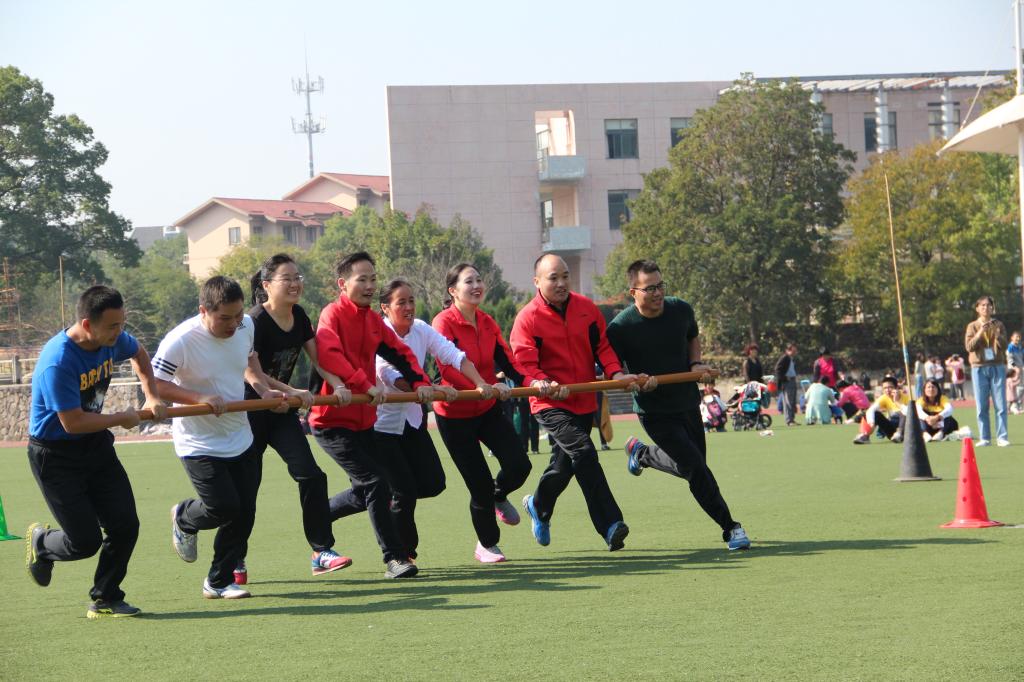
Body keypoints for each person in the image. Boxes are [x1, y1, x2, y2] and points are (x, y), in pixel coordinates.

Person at [25, 285, 166, 618]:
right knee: (84, 542)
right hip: (55, 455)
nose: (120, 332)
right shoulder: (58, 361)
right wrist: (121, 418)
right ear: (87, 324)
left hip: (95, 447)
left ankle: (106, 597)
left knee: (125, 525)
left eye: (122, 324)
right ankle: (42, 544)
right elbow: (72, 423)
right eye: (113, 326)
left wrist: (152, 395)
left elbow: (139, 353)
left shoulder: (113, 340)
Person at [155, 276, 288, 600]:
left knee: (245, 512)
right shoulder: (181, 340)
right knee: (223, 506)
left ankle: (218, 581)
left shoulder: (245, 325)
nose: (233, 324)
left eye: (238, 315)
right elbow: (155, 384)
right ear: (204, 310)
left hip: (239, 434)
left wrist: (262, 389)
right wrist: (198, 398)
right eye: (224, 318)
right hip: (198, 441)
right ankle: (184, 516)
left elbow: (249, 360)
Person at [308, 252, 437, 579]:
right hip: (331, 421)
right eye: (361, 279)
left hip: (364, 420)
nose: (369, 285)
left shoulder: (373, 322)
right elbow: (329, 355)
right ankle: (395, 559)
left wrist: (421, 382)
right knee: (377, 483)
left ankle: (317, 517)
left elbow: (400, 352)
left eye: (373, 279)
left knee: (369, 489)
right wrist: (364, 384)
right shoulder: (332, 314)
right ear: (343, 284)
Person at [608, 260, 750, 551]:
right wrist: (630, 379)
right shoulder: (620, 327)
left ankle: (642, 454)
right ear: (633, 292)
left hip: (687, 402)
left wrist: (696, 363)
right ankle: (731, 527)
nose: (658, 293)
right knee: (696, 469)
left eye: (660, 285)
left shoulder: (681, 309)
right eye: (650, 289)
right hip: (654, 411)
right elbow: (613, 367)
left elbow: (691, 336)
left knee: (693, 465)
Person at [232, 254, 355, 586]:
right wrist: (292, 390)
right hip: (252, 410)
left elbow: (320, 359)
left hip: (282, 411)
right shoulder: (253, 321)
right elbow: (250, 370)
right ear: (266, 284)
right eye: (286, 278)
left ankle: (321, 551)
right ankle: (234, 558)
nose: (295, 283)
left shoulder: (299, 316)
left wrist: (338, 385)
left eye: (297, 277)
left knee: (311, 475)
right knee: (247, 487)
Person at [513, 254, 645, 551]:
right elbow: (523, 364)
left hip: (584, 400)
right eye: (553, 278)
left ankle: (538, 505)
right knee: (584, 452)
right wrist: (542, 382)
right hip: (549, 404)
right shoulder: (527, 318)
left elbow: (603, 347)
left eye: (565, 276)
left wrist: (616, 373)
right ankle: (610, 524)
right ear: (537, 282)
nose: (561, 283)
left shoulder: (587, 309)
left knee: (564, 467)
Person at [375, 277, 503, 563]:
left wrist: (480, 383)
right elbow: (388, 374)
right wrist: (428, 389)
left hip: (412, 419)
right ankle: (403, 554)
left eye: (411, 301)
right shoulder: (379, 332)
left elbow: (454, 355)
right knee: (404, 492)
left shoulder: (421, 328)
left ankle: (380, 496)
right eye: (401, 302)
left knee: (433, 483)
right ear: (385, 307)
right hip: (381, 426)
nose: (409, 307)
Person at [432, 264, 541, 563]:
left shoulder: (487, 321)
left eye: (479, 280)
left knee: (519, 465)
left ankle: (498, 494)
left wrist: (533, 382)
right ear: (453, 290)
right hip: (454, 415)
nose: (477, 285)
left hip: (486, 407)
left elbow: (509, 361)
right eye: (469, 281)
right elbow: (447, 367)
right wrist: (482, 384)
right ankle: (487, 544)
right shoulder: (443, 322)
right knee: (478, 482)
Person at [964, 295, 1009, 447]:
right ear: (977, 308)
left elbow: (1004, 345)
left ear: (992, 308)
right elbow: (969, 347)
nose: (986, 308)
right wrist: (979, 333)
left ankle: (1002, 437)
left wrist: (997, 336)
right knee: (981, 405)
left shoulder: (999, 324)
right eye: (982, 305)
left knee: (1000, 404)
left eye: (989, 305)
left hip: (997, 366)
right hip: (979, 367)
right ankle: (985, 438)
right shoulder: (972, 326)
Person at [852, 375, 908, 445]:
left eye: (890, 387)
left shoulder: (906, 397)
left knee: (903, 413)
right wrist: (871, 423)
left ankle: (900, 433)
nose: (887, 390)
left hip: (907, 431)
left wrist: (896, 401)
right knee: (875, 414)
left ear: (896, 388)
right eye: (885, 388)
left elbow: (908, 413)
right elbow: (871, 410)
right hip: (893, 433)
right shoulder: (884, 398)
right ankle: (865, 436)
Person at [774, 344, 800, 425]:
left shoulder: (791, 359)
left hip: (792, 380)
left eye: (795, 351)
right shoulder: (785, 357)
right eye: (793, 350)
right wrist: (784, 378)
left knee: (792, 401)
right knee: (788, 401)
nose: (794, 352)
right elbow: (777, 369)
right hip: (787, 382)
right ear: (788, 350)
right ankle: (789, 420)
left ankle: (792, 419)